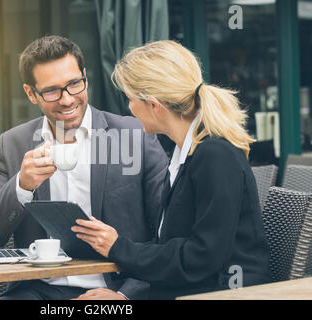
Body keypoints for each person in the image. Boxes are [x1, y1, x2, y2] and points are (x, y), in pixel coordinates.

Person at [72, 40, 273, 300]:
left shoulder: (215, 156)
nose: (129, 109)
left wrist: (118, 247)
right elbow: (175, 249)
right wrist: (124, 296)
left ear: (155, 105)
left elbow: (200, 258)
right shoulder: (186, 153)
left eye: (130, 99)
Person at [0, 35, 168, 300]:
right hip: (37, 290)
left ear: (84, 77)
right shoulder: (14, 143)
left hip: (115, 288)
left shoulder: (134, 134)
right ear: (31, 93)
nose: (66, 100)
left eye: (74, 84)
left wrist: (126, 295)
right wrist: (22, 185)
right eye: (52, 90)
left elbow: (167, 232)